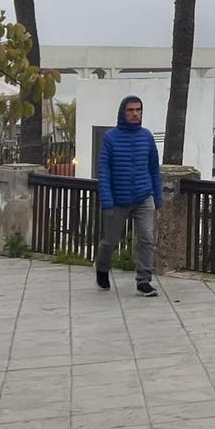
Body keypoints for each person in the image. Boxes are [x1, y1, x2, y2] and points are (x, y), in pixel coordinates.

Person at [95, 96, 162, 297]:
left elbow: (154, 169)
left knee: (147, 239)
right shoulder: (110, 138)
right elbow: (103, 171)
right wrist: (106, 200)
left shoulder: (147, 137)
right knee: (110, 241)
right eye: (131, 110)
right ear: (123, 113)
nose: (135, 113)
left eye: (138, 110)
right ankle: (102, 268)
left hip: (143, 196)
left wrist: (157, 197)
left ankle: (144, 281)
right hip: (117, 199)